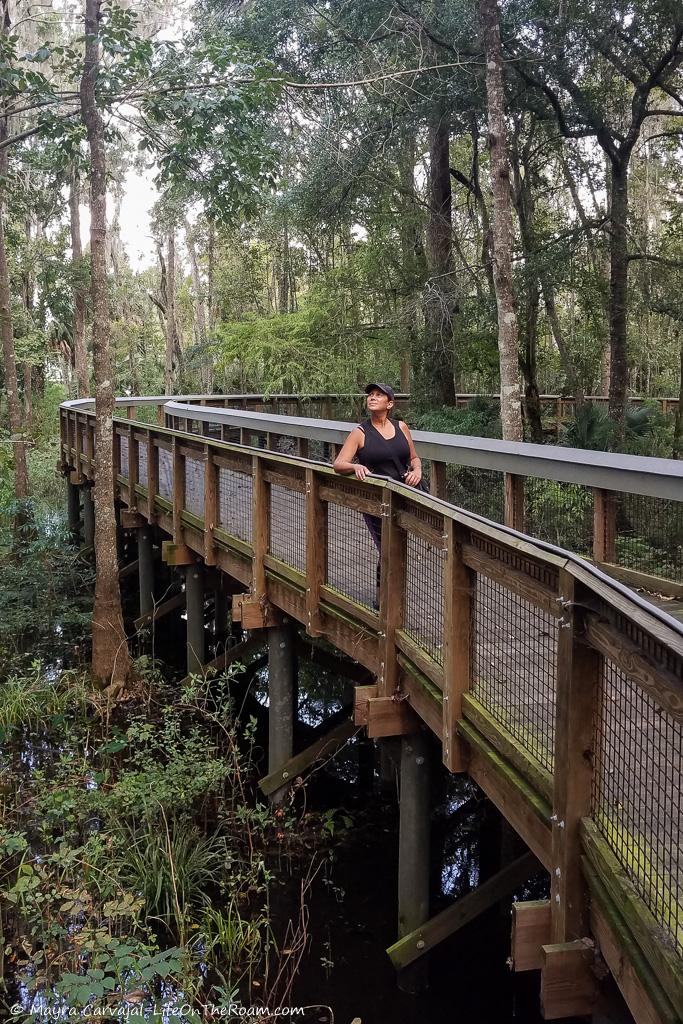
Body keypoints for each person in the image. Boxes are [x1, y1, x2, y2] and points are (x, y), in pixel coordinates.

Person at [333, 384, 422, 603]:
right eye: (370, 395)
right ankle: (384, 599)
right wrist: (355, 467)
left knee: (396, 545)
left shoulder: (401, 427)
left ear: (389, 403)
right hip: (376, 501)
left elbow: (414, 457)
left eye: (378, 395)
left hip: (403, 495)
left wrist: (418, 470)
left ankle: (391, 596)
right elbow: (338, 464)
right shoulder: (360, 432)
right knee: (387, 547)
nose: (372, 398)